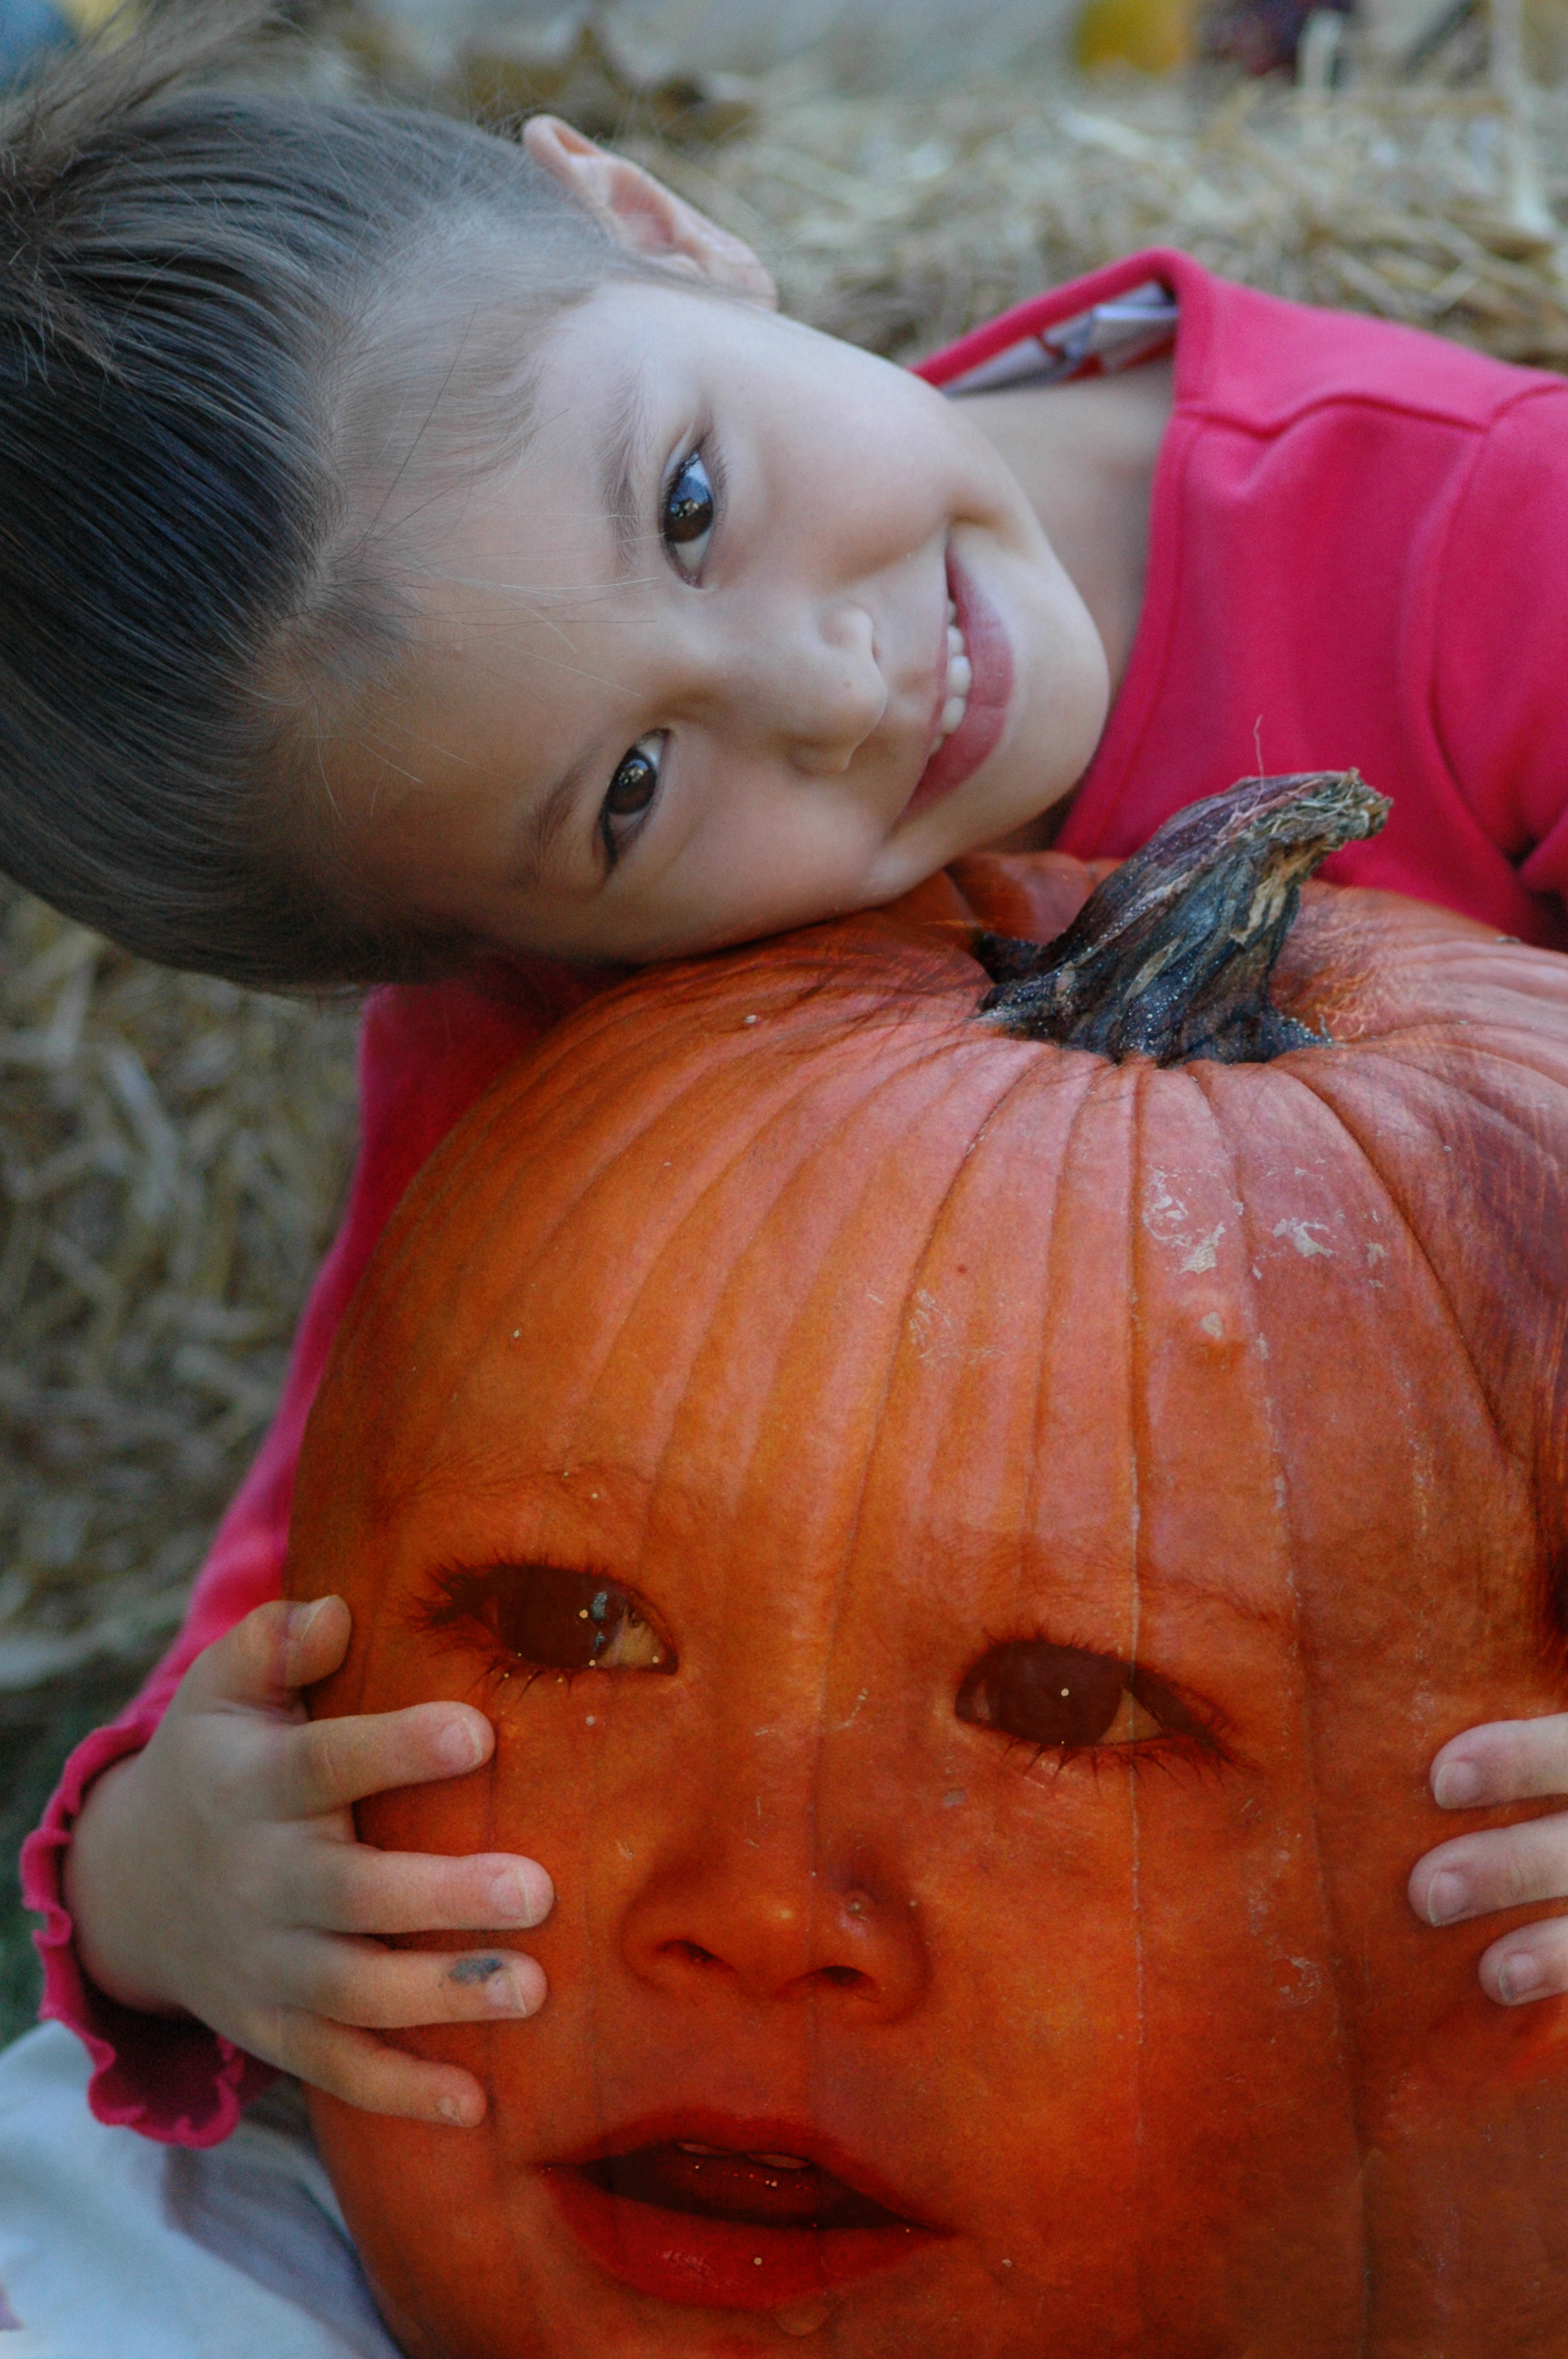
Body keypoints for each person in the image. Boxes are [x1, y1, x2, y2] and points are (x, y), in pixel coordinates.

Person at [8, 6, 1568, 2151]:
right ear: (491, 935)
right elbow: (343, 1631)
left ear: (650, 223)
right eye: (637, 786)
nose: (828, 688)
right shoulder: (543, 1029)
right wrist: (156, 1878)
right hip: (1095, 1977)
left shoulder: (1473, 540)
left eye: (689, 499)